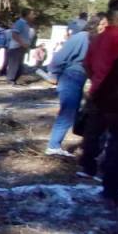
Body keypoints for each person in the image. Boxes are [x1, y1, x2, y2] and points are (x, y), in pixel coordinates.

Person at [84, 1, 118, 201]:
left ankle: (88, 164)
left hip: (99, 91)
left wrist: (95, 80)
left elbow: (87, 64)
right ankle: (113, 185)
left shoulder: (97, 39)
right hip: (117, 95)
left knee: (94, 131)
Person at [44, 15, 98, 157]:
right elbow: (59, 58)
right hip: (70, 76)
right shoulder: (81, 37)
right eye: (102, 24)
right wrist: (53, 74)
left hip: (80, 78)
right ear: (95, 24)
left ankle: (55, 144)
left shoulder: (94, 40)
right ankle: (53, 146)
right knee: (67, 112)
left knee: (71, 111)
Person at [6, 8, 37, 84]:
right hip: (16, 47)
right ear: (27, 15)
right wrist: (22, 43)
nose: (34, 16)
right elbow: (14, 34)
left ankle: (18, 80)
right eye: (32, 14)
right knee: (14, 64)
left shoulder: (26, 24)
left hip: (22, 47)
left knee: (19, 65)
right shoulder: (20, 23)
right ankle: (11, 80)